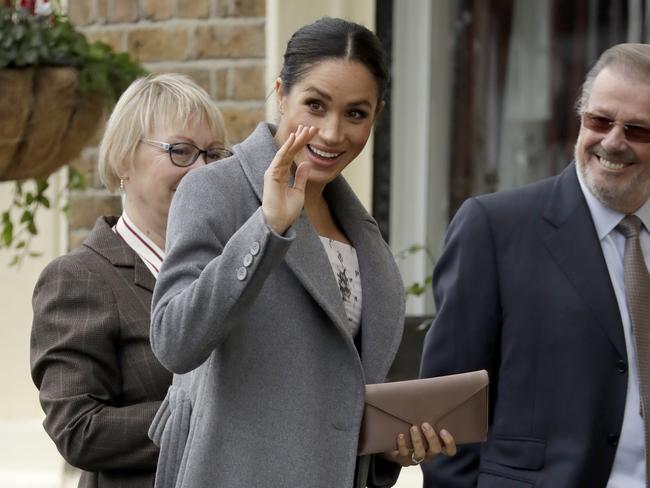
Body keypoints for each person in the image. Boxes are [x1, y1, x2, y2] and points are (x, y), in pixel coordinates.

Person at [148, 17, 456, 488]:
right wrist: (268, 226)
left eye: (356, 114)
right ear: (281, 94)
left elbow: (337, 395)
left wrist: (392, 449)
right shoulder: (216, 190)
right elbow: (175, 341)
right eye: (315, 105)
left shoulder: (364, 236)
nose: (332, 134)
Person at [419, 43, 650, 487]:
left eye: (636, 129)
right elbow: (446, 411)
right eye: (599, 120)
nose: (613, 141)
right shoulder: (495, 227)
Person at [30, 73, 232, 488]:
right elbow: (79, 429)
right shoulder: (79, 278)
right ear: (123, 159)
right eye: (180, 151)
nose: (201, 169)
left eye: (213, 154)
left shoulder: (230, 269)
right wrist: (210, 417)